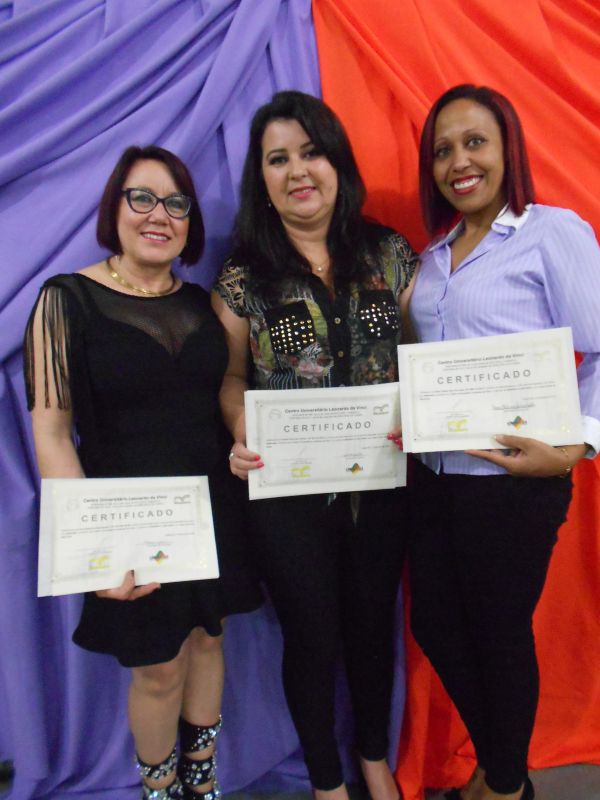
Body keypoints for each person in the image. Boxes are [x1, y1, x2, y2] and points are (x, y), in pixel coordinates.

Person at [24, 145, 262, 800]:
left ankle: (202, 784)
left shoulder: (202, 304)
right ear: (115, 209)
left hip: (213, 510)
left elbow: (224, 397)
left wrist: (242, 445)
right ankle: (159, 792)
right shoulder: (65, 300)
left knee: (209, 641)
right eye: (143, 198)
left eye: (176, 203)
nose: (160, 214)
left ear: (190, 221)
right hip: (128, 524)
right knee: (158, 669)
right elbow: (51, 433)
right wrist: (94, 553)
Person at [211, 90, 416, 800]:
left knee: (372, 628)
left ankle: (373, 759)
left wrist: (421, 414)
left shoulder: (390, 255)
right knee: (311, 635)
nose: (298, 170)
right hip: (288, 495)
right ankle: (327, 781)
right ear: (262, 181)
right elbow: (230, 378)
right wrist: (240, 426)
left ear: (337, 164)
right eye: (278, 159)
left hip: (383, 484)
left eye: (311, 152)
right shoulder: (244, 278)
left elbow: (416, 358)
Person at [406, 84, 600, 800]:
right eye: (443, 150)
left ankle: (505, 784)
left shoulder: (553, 232)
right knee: (435, 624)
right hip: (433, 477)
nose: (459, 161)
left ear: (507, 149)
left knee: (497, 631)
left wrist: (577, 447)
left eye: (475, 142)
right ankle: (502, 771)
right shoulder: (431, 256)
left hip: (514, 482)